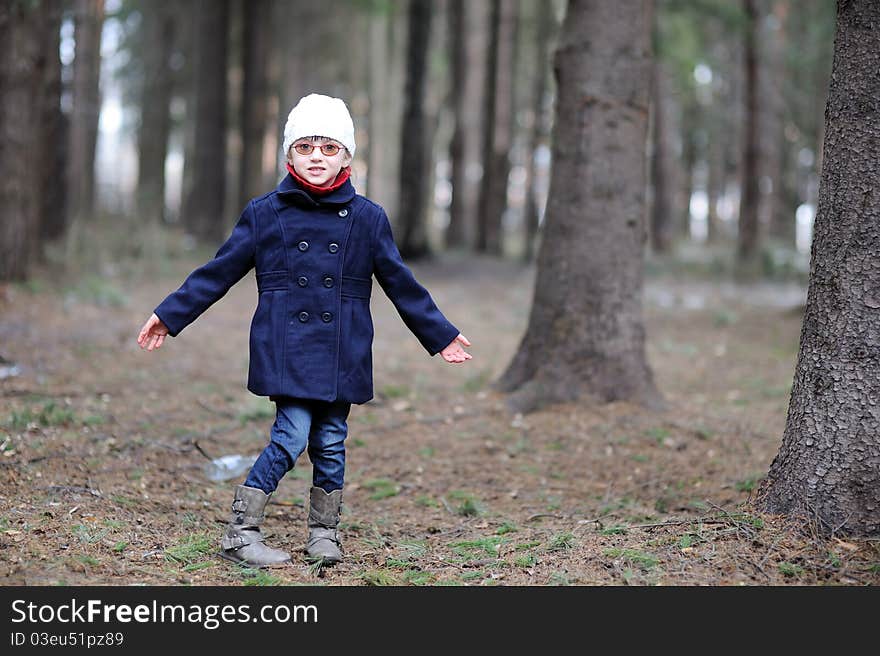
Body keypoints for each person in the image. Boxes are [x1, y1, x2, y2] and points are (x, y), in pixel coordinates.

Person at [137, 93, 472, 568]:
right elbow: (219, 271)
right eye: (306, 147)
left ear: (348, 157)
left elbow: (402, 284)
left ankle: (324, 533)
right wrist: (171, 314)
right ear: (289, 153)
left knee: (331, 441)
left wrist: (440, 335)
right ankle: (241, 530)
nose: (317, 156)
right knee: (291, 437)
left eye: (329, 148)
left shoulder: (368, 219)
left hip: (342, 350)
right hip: (286, 349)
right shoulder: (264, 212)